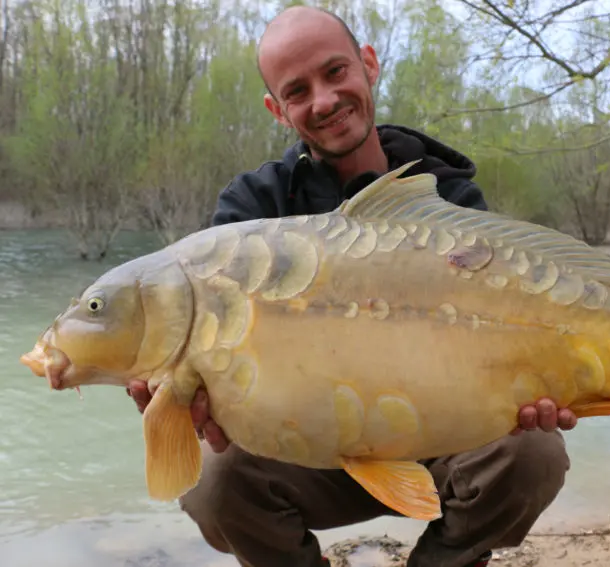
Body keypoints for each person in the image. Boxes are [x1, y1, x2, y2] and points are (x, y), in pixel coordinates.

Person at [127, 6, 577, 567]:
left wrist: (535, 389)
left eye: (335, 72)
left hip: (439, 437)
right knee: (214, 481)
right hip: (303, 451)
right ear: (277, 109)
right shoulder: (251, 211)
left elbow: (504, 345)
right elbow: (207, 364)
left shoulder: (450, 200)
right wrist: (183, 399)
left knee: (532, 453)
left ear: (369, 64)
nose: (323, 99)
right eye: (297, 90)